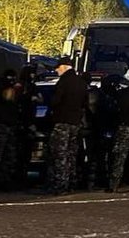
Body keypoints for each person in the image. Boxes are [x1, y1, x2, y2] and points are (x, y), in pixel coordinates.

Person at [47, 57, 88, 195]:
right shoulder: (81, 83)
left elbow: (56, 101)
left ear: (64, 67)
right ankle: (71, 183)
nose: (56, 70)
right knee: (72, 154)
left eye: (57, 68)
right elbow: (84, 104)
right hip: (75, 123)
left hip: (62, 122)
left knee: (60, 155)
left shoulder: (63, 82)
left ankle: (60, 185)